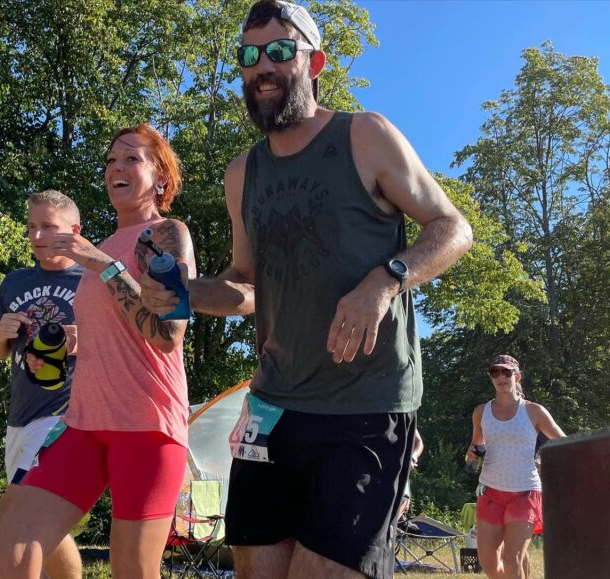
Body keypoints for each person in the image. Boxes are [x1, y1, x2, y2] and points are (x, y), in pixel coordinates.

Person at [141, 2, 473, 577]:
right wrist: (186, 293)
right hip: (273, 404)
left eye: (278, 51)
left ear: (314, 61)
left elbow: (452, 228)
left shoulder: (364, 135)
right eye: (249, 55)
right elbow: (245, 286)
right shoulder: (242, 172)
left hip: (364, 404)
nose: (262, 66)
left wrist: (383, 281)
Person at [0, 124, 196, 579]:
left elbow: (168, 333)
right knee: (16, 535)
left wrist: (103, 264)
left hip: (146, 425)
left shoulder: (166, 235)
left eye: (131, 159)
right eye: (110, 160)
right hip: (82, 423)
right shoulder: (98, 247)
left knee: (133, 571)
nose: (115, 168)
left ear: (160, 177)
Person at [0, 189, 84, 579]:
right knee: (44, 525)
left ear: (74, 230)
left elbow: (128, 347)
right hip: (20, 416)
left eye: (48, 226)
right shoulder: (15, 281)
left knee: (16, 517)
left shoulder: (92, 279)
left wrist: (88, 337)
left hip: (65, 415)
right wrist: (0, 331)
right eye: (31, 226)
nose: (38, 236)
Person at [467, 354, 565, 579]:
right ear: (491, 377)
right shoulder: (481, 412)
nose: (500, 376)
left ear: (517, 376)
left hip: (525, 491)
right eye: (495, 372)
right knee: (489, 565)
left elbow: (563, 442)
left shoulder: (534, 411)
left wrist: (542, 458)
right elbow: (475, 446)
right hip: (490, 490)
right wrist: (472, 455)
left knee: (512, 560)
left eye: (506, 372)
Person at [397, 429, 424, 522]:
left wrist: (413, 457)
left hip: (398, 469)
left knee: (403, 500)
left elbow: (419, 442)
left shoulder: (404, 415)